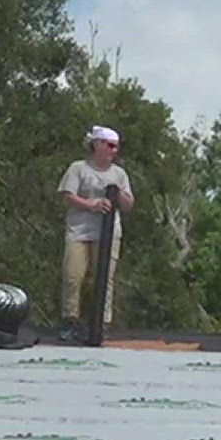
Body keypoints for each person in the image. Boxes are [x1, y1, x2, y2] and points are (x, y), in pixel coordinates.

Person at [56, 126, 135, 342]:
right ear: (97, 145)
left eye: (116, 147)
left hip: (108, 233)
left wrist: (119, 196)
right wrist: (91, 205)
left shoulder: (119, 174)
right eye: (110, 146)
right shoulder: (78, 168)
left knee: (105, 277)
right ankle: (70, 320)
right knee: (73, 276)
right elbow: (68, 195)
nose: (114, 150)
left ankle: (102, 322)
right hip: (79, 231)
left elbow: (128, 205)